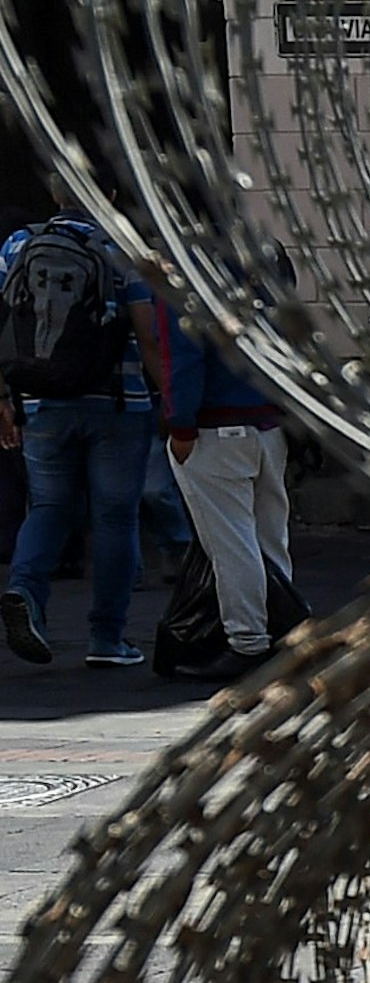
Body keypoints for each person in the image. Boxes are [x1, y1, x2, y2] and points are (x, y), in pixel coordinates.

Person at [0, 211, 174, 668]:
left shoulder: (18, 245)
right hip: (120, 403)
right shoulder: (125, 250)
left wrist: (4, 397)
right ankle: (108, 639)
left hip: (42, 401)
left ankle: (24, 593)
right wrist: (173, 404)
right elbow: (148, 335)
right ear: (110, 197)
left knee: (48, 507)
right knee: (116, 517)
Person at [149, 271, 291, 679]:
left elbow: (181, 357)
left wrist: (180, 426)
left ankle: (248, 642)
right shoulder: (260, 263)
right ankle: (283, 629)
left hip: (215, 426)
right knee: (269, 537)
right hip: (267, 421)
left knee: (231, 543)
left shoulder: (178, 273)